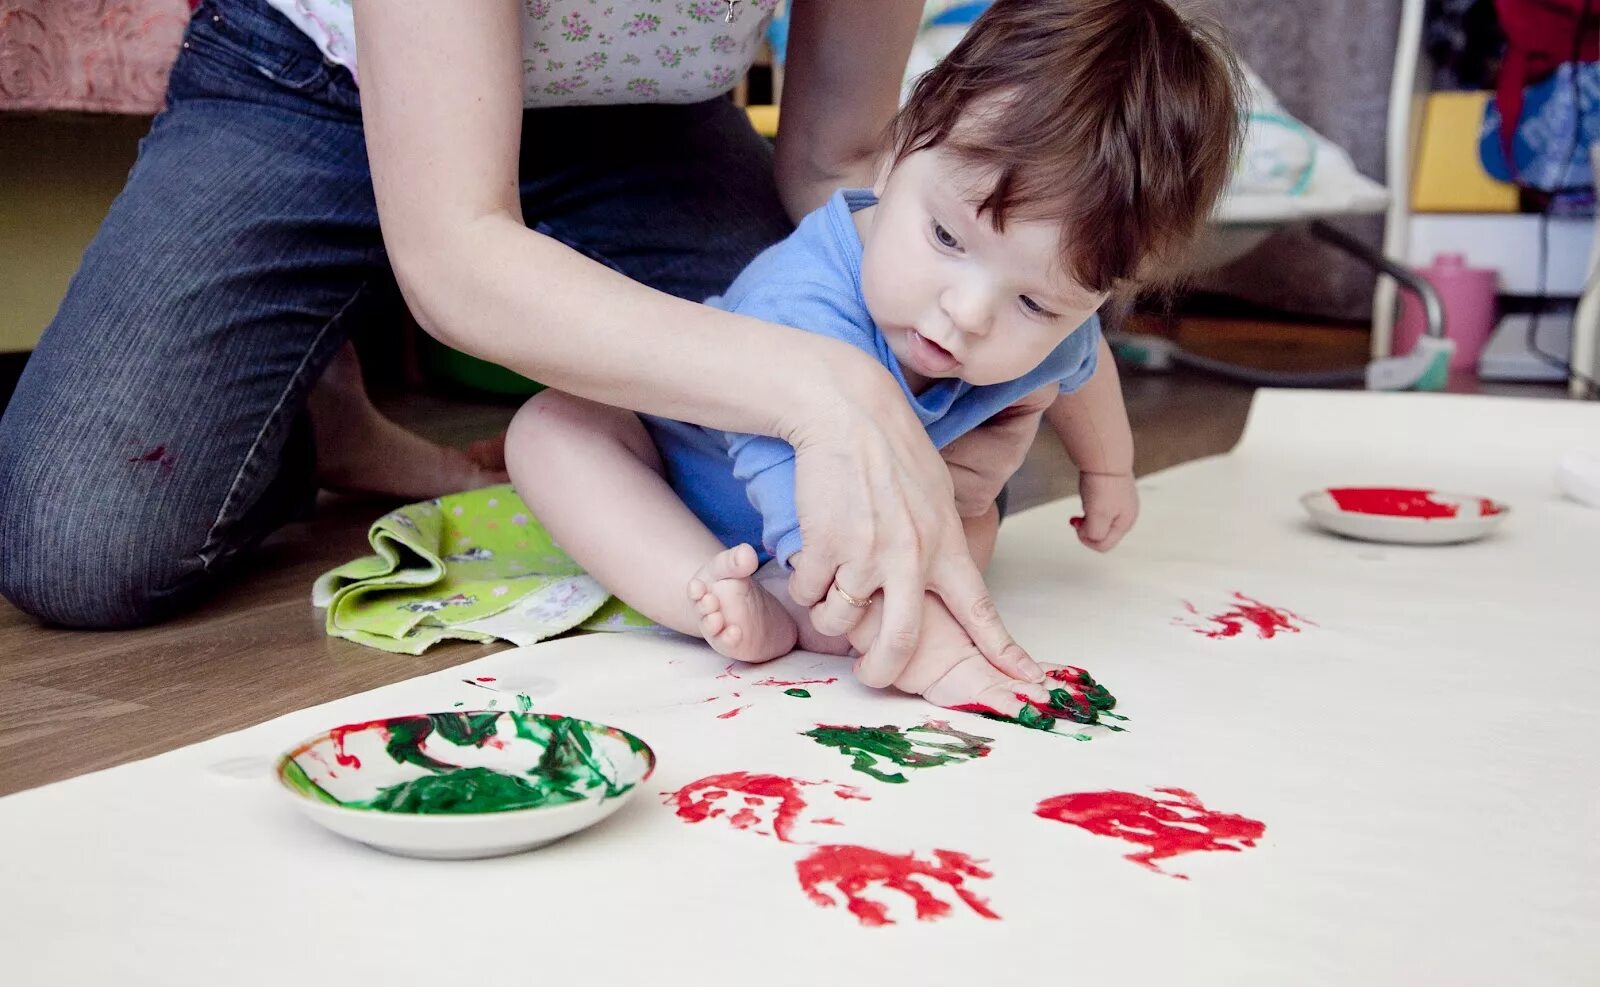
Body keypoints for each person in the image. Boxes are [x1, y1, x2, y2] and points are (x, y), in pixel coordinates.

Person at [0, 0, 1045, 692]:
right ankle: (306, 384)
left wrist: (942, 368)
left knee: (743, 465)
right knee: (81, 543)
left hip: (646, 124)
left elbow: (837, 156)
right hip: (313, 84)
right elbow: (457, 253)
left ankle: (319, 394)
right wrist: (829, 387)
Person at [505, 0, 1243, 710]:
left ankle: (835, 607)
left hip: (867, 520)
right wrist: (935, 656)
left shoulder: (1055, 321)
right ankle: (711, 595)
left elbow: (1083, 367)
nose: (968, 313)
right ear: (892, 158)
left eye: (1035, 303)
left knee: (971, 514)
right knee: (552, 433)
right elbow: (805, 489)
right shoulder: (799, 292)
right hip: (688, 477)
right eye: (948, 240)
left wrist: (1107, 469)